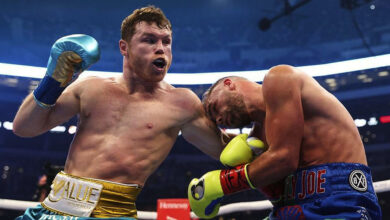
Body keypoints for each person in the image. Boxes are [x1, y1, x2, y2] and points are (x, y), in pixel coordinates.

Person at [13, 5, 227, 219]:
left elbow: (229, 153)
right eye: (150, 40)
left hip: (113, 213)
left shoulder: (182, 103)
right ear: (124, 47)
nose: (161, 48)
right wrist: (54, 78)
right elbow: (24, 127)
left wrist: (257, 116)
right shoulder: (91, 88)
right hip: (54, 207)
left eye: (167, 41)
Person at [187, 65, 382, 219]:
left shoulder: (278, 79)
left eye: (215, 108)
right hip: (290, 209)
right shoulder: (257, 137)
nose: (219, 119)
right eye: (215, 120)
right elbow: (279, 188)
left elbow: (284, 159)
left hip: (339, 202)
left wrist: (221, 183)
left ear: (229, 84)